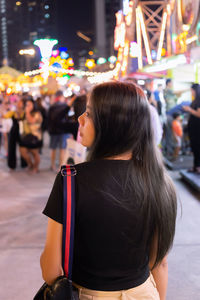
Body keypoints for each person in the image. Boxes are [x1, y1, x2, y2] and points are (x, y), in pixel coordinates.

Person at [40, 82, 177, 300]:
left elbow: (51, 272)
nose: (80, 119)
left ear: (111, 124)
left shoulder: (71, 180)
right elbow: (158, 263)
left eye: (89, 113)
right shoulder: (159, 181)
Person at [19, 98, 43, 173]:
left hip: (35, 136)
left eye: (29, 104)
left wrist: (27, 112)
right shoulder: (25, 112)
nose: (27, 106)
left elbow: (31, 121)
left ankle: (36, 168)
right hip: (25, 136)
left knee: (34, 153)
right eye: (26, 105)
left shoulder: (37, 113)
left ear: (33, 105)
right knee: (22, 151)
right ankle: (31, 165)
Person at [183, 83, 200, 174]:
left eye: (192, 91)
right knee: (194, 147)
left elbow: (199, 114)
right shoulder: (195, 100)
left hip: (197, 129)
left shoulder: (199, 100)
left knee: (197, 147)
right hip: (193, 128)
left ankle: (198, 166)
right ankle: (195, 166)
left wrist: (189, 110)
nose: (191, 92)